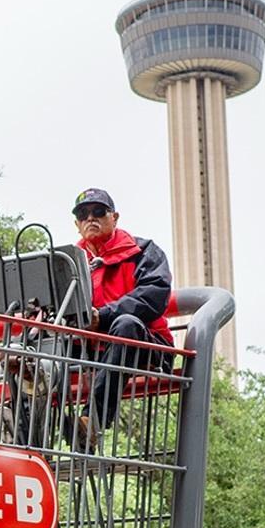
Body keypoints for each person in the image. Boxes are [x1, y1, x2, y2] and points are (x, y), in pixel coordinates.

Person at [70, 188, 174, 449]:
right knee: (37, 346)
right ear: (76, 224)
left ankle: (91, 421)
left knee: (126, 324)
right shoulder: (69, 262)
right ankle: (20, 424)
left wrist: (103, 317)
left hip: (146, 345)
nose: (90, 218)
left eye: (98, 212)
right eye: (83, 215)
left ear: (114, 217)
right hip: (93, 350)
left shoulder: (143, 252)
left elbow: (153, 296)